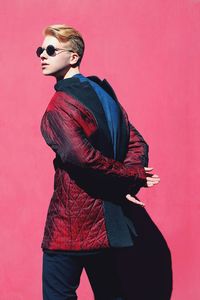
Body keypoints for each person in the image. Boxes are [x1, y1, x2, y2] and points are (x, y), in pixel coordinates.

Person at [37, 24, 160, 300]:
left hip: (70, 226)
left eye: (51, 49)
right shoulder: (104, 93)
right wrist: (129, 179)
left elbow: (83, 159)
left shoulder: (59, 106)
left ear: (73, 56)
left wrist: (131, 177)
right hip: (108, 226)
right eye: (40, 50)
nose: (42, 55)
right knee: (110, 293)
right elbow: (137, 142)